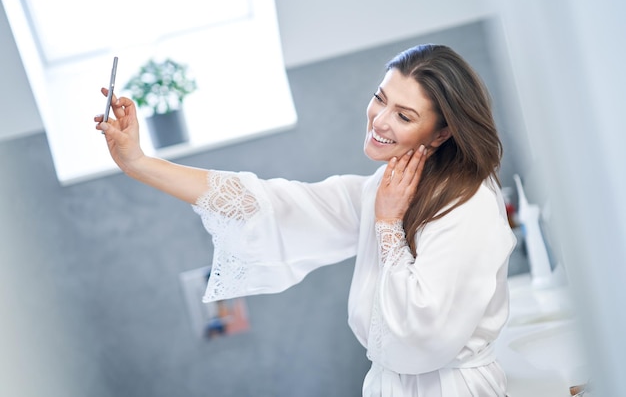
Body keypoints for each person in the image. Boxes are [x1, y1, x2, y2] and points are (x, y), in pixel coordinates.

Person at [94, 44, 516, 397]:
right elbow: (273, 204)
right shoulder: (386, 188)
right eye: (380, 98)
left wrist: (388, 225)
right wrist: (139, 163)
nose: (380, 120)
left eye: (405, 116)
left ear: (440, 133)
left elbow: (425, 331)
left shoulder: (468, 205)